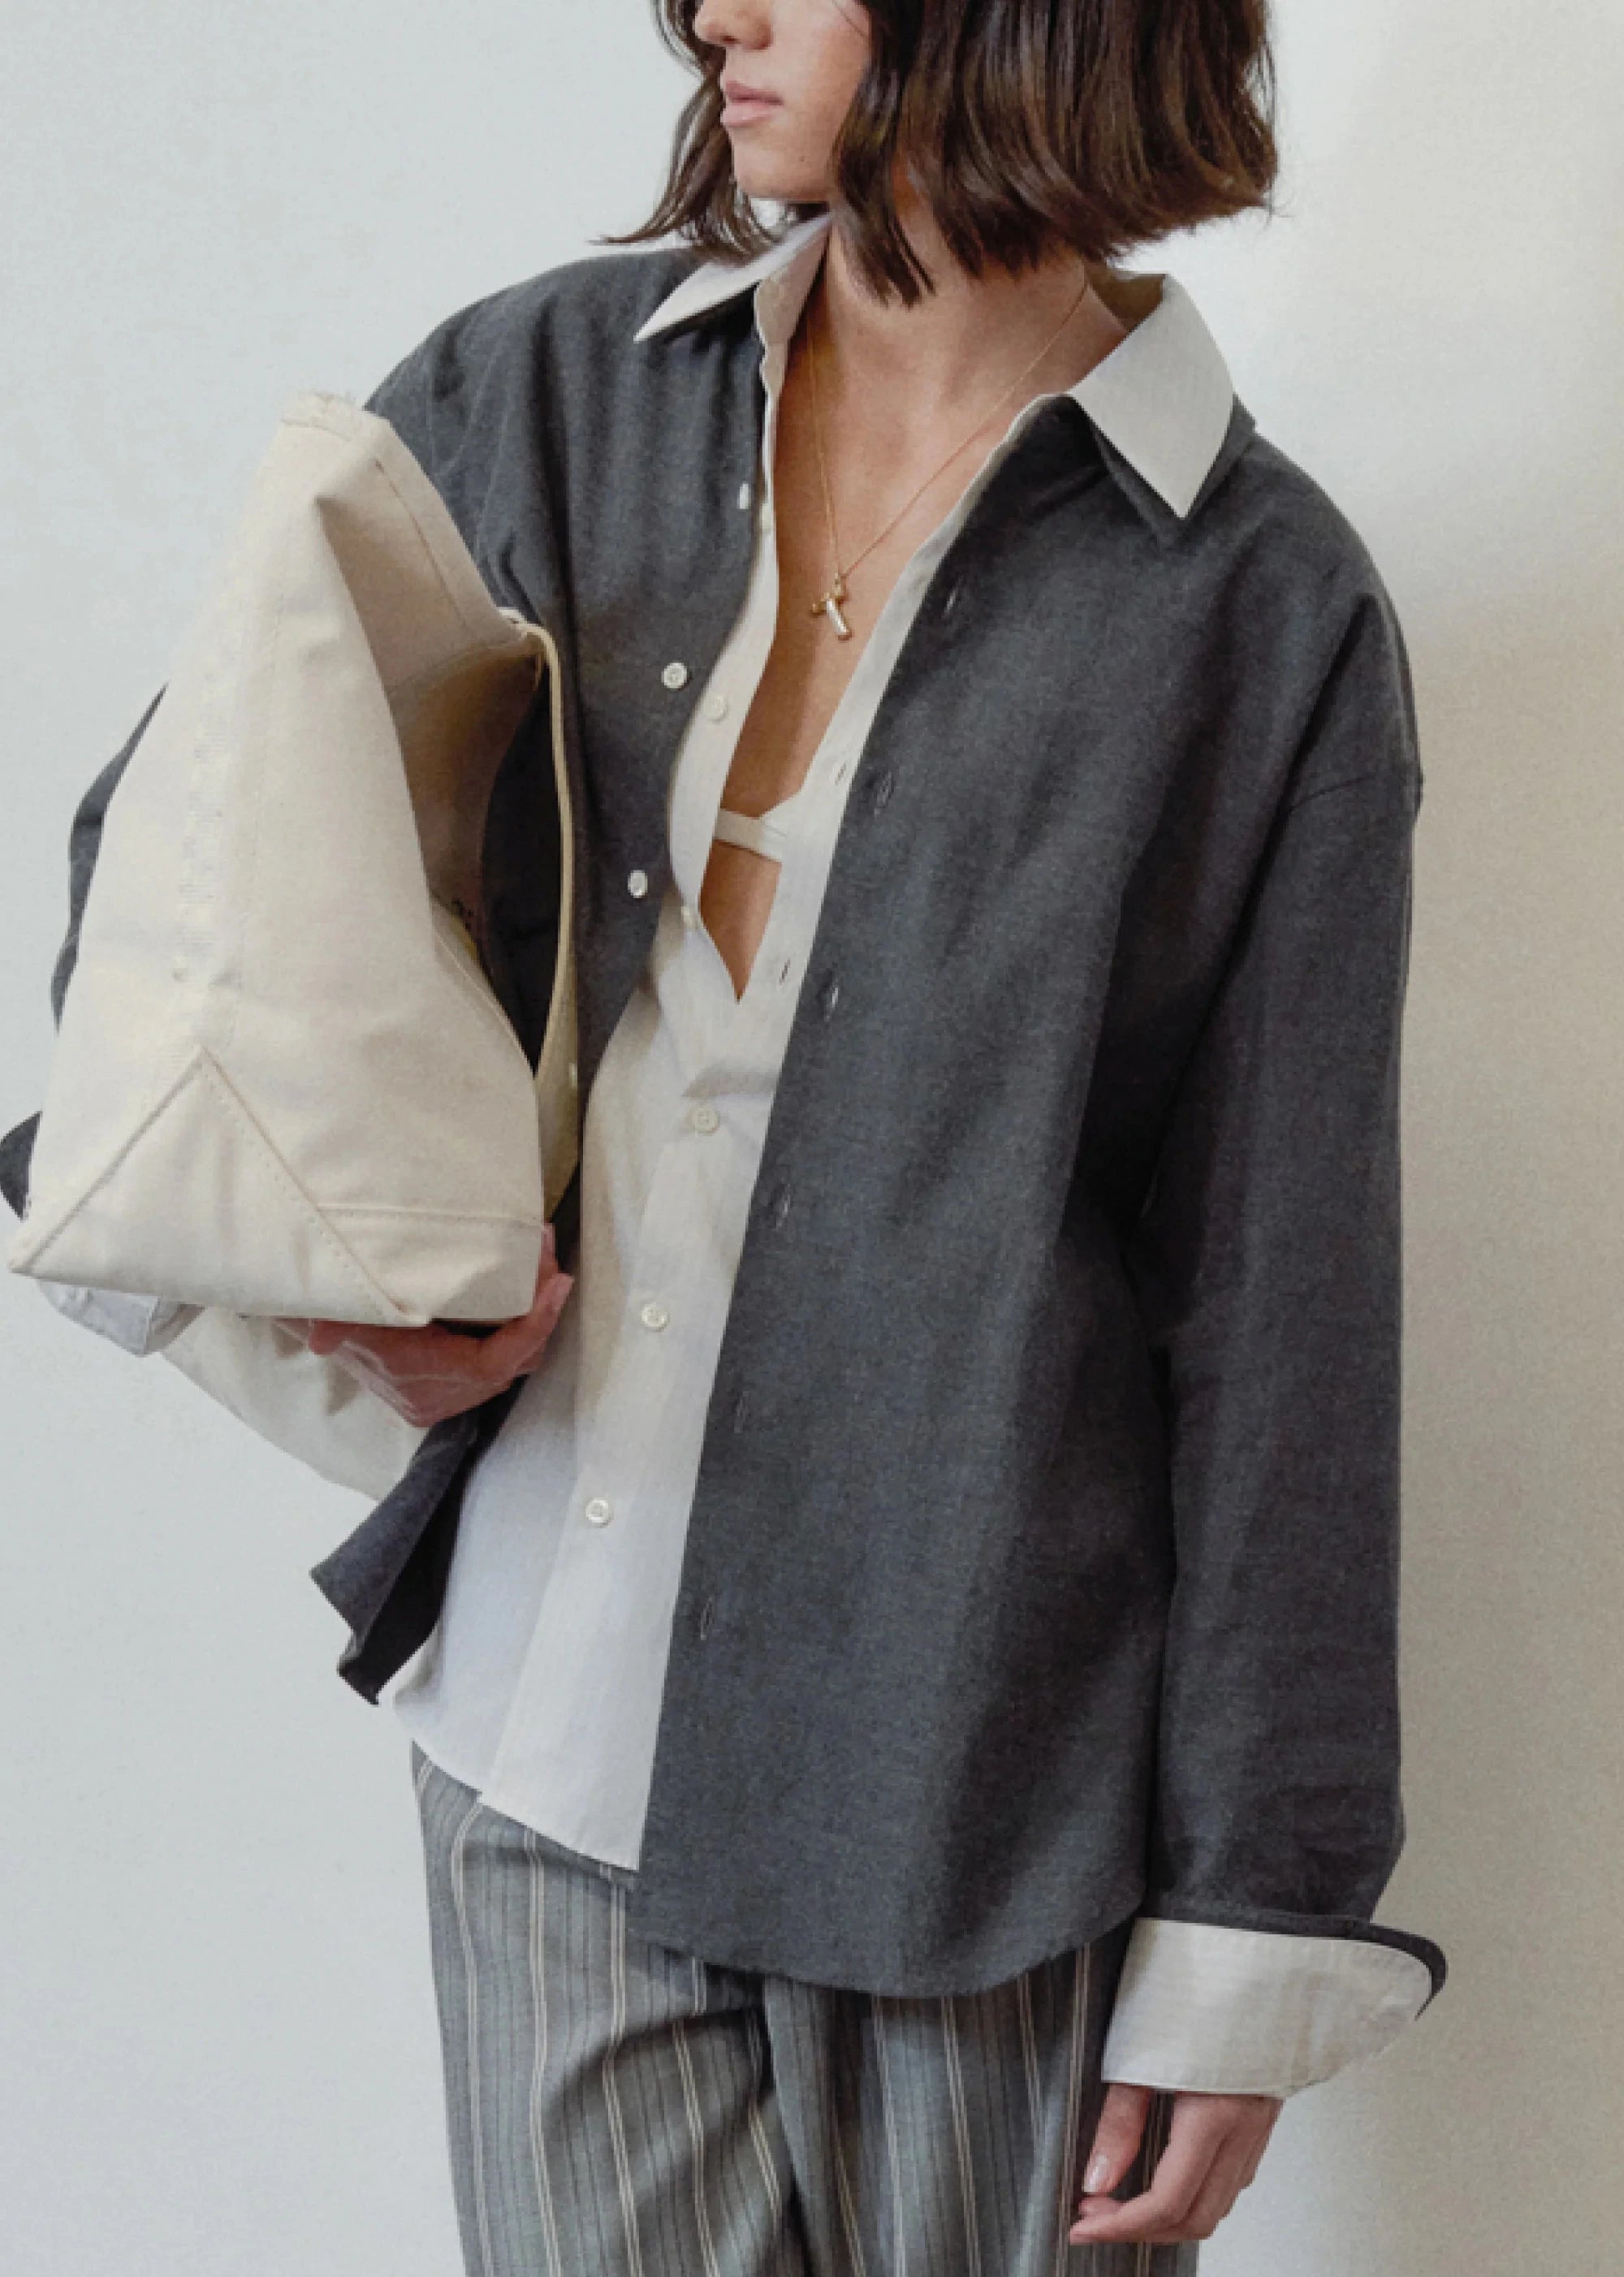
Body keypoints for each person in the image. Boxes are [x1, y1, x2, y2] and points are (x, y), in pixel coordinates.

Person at [5, 0, 1448, 2269]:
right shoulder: (544, 400)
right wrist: (378, 1279)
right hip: (540, 1730)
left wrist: (1257, 1911)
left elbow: (1282, 1308)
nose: (705, 10)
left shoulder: (1259, 612)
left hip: (980, 1802)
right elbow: (192, 886)